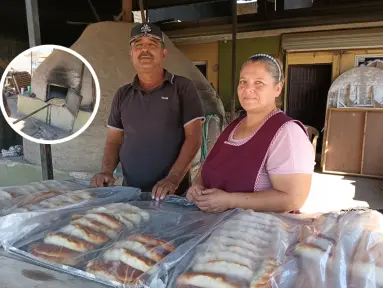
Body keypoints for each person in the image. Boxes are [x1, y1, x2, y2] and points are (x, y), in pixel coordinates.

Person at [187, 54, 315, 213]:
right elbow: (207, 166)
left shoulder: (287, 133)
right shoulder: (233, 126)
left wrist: (229, 201)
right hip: (218, 228)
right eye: (243, 81)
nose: (248, 89)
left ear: (277, 88)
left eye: (259, 82)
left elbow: (292, 199)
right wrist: (198, 186)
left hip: (257, 232)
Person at [91, 23, 205, 201]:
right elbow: (114, 140)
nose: (145, 50)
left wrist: (173, 179)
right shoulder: (122, 94)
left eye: (152, 45)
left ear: (163, 54)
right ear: (131, 55)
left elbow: (194, 137)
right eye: (138, 45)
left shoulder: (182, 88)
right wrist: (106, 171)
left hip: (171, 193)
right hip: (130, 192)